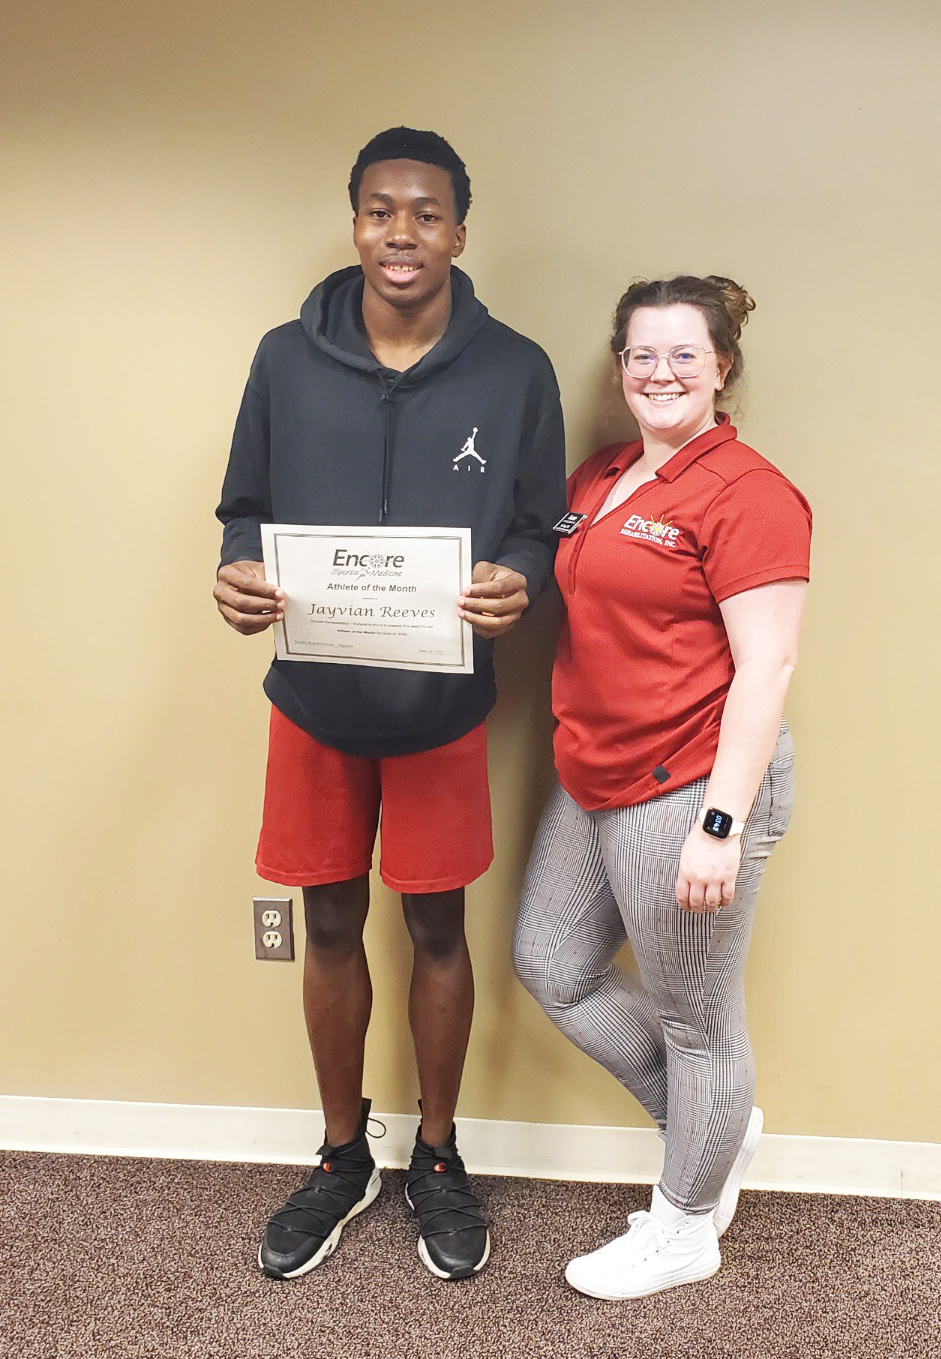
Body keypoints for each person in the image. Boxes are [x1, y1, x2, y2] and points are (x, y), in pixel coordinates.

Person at [214, 127, 565, 1282]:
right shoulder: (283, 358)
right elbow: (244, 509)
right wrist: (237, 572)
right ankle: (339, 1155)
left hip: (439, 708)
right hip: (312, 701)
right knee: (325, 924)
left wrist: (522, 579)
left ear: (459, 231)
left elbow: (537, 525)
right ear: (354, 221)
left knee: (435, 930)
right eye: (380, 210)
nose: (400, 232)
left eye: (424, 213)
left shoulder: (515, 370)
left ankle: (438, 1155)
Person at [513, 275, 811, 1299]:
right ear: (619, 366)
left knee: (697, 1025)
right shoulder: (602, 474)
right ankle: (712, 1137)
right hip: (591, 771)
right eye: (642, 353)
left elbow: (767, 666)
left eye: (685, 354)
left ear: (721, 366)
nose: (660, 372)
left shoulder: (748, 493)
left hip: (688, 782)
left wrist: (719, 824)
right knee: (552, 966)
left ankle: (683, 1227)